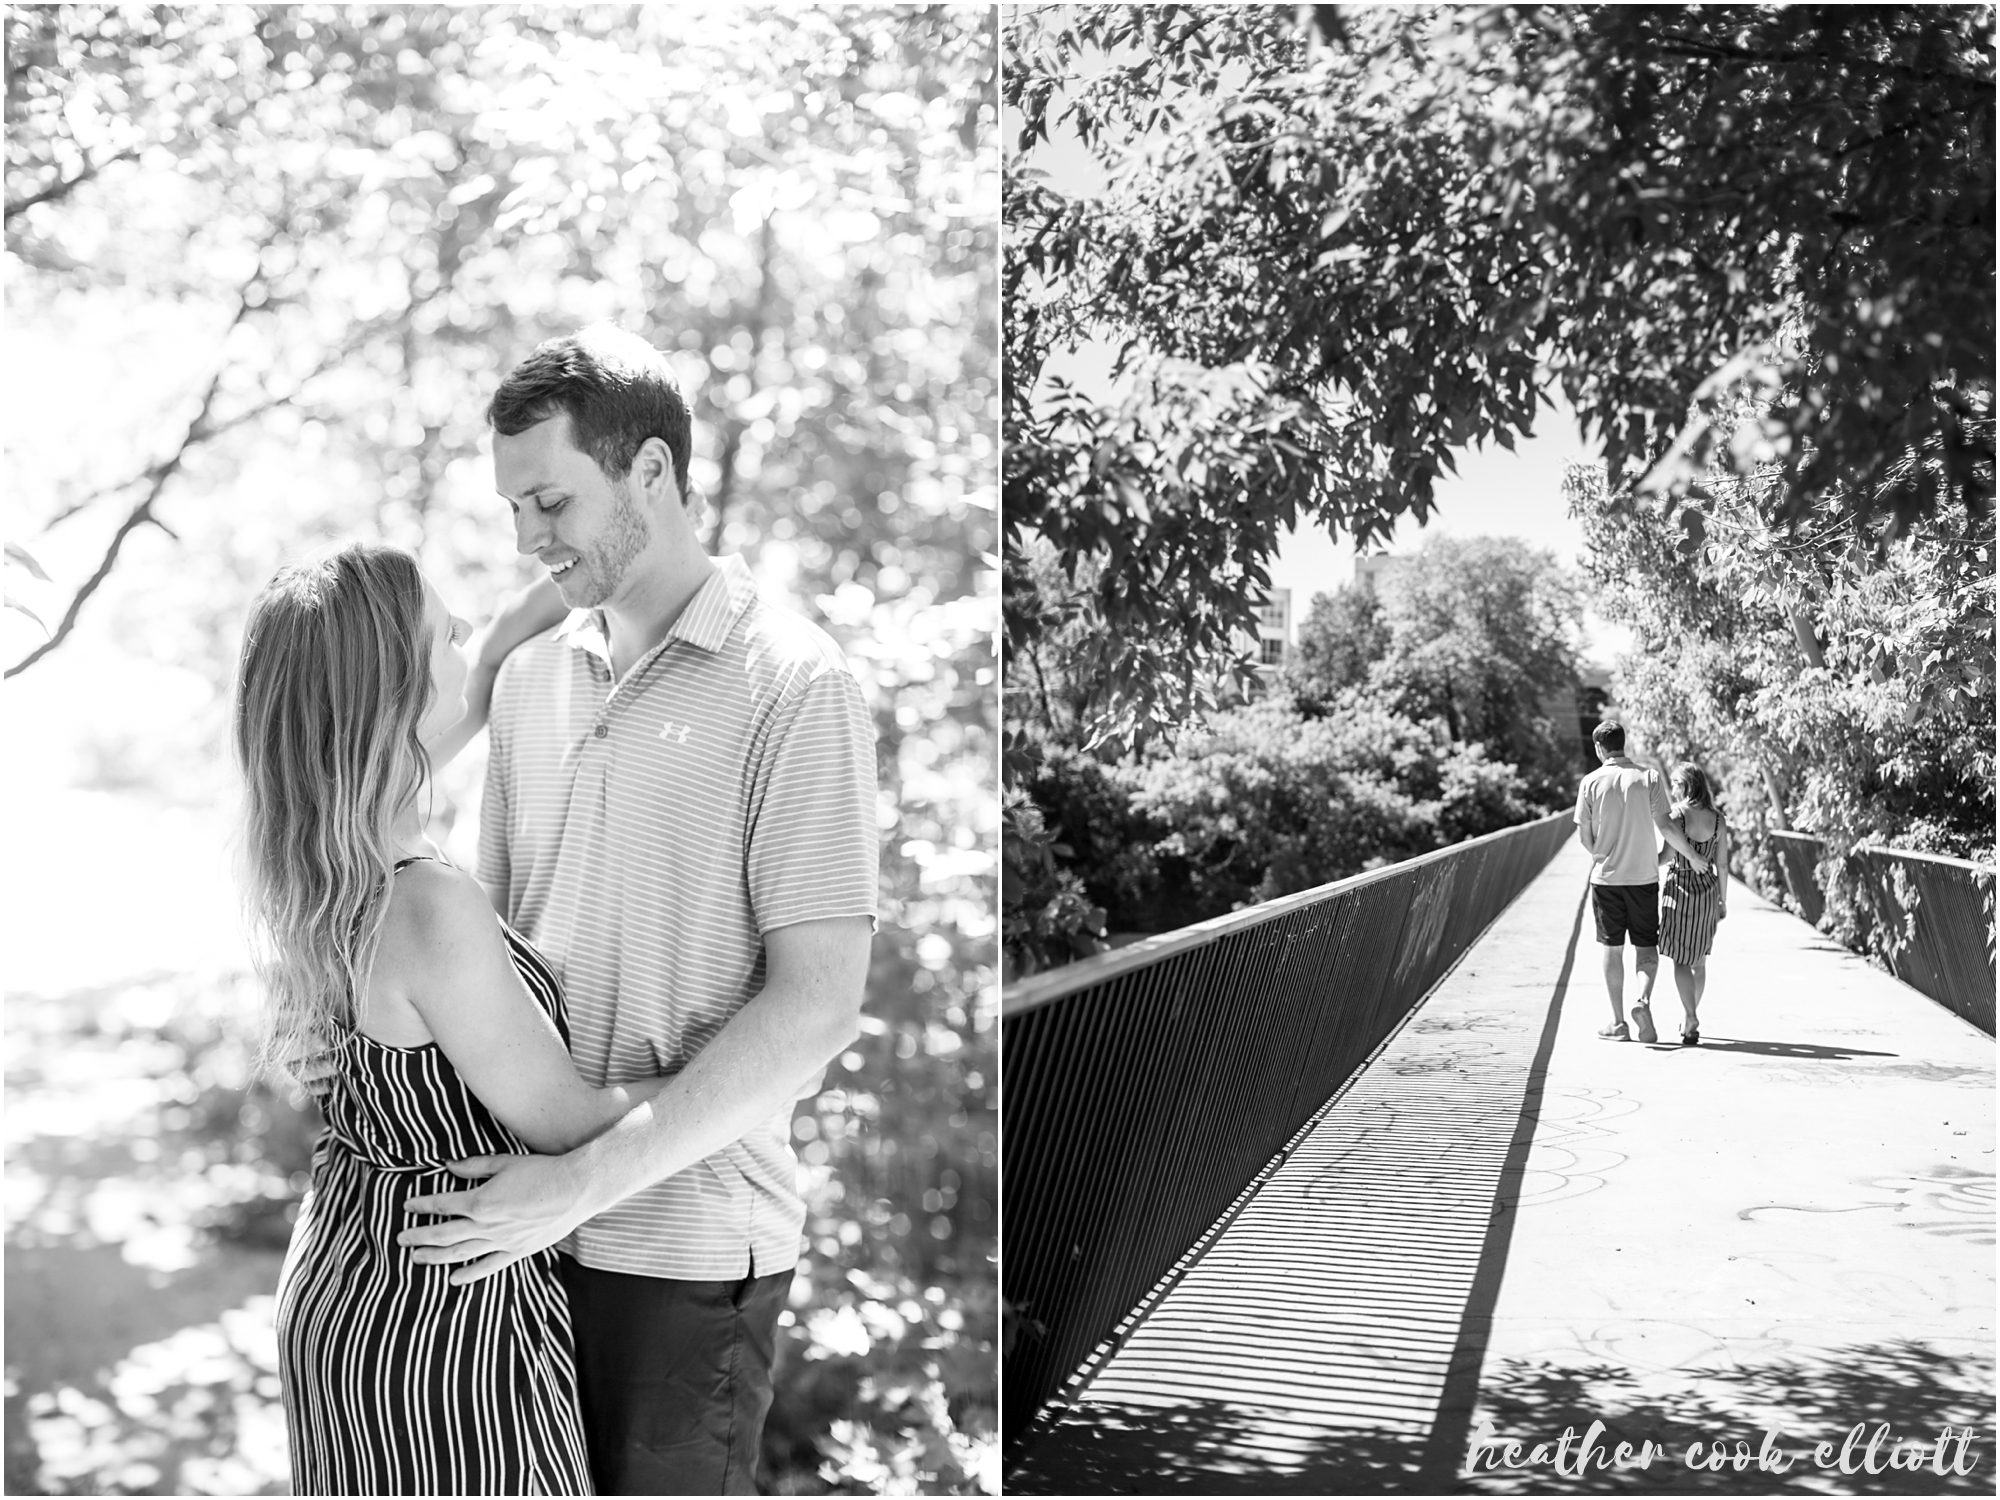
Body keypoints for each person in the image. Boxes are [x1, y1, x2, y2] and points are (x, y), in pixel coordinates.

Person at [397, 326, 879, 1495]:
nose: (526, 539)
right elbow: (466, 925)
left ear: (651, 474)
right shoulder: (531, 679)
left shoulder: (796, 684)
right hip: (519, 1240)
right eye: (513, 509)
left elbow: (816, 1011)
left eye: (550, 501)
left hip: (685, 1260)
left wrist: (584, 1181)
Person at [234, 542, 656, 1494]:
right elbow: (570, 1121)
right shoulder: (428, 907)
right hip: (441, 1329)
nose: (465, 628)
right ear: (391, 693)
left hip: (350, 1277)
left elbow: (494, 649)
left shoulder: (322, 859)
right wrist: (763, 1076)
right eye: (440, 627)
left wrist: (582, 573)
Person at [1574, 721, 1711, 1043]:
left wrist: (1601, 855)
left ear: (1598, 748)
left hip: (1606, 879)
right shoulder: (1648, 777)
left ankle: (1619, 1022)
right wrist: (1691, 856)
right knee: (1646, 946)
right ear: (1624, 744)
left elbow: (1583, 836)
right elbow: (1665, 827)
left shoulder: (1590, 782)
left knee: (1612, 947)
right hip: (1645, 878)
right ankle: (1643, 1000)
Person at [1657, 762, 1728, 1045]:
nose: (1673, 790)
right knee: (1699, 961)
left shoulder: (1677, 816)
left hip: (1680, 889)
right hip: (1708, 891)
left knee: (1680, 960)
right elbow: (1722, 864)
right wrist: (1723, 899)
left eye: (1675, 784)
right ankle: (1689, 1021)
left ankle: (1690, 1014)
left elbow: (1664, 858)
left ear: (1685, 785)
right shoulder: (1719, 819)